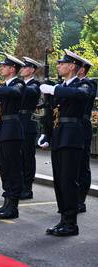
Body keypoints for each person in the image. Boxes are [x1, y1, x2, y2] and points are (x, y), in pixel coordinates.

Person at [39, 50, 89, 236]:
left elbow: (80, 95)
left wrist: (54, 90)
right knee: (59, 181)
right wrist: (47, 134)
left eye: (62, 63)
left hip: (72, 136)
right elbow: (51, 114)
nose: (58, 65)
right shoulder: (61, 86)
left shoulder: (85, 84)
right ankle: (63, 219)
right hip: (59, 135)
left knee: (69, 181)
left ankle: (71, 223)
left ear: (73, 66)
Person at [0, 53, 25, 219]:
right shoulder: (4, 86)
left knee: (13, 169)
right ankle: (6, 202)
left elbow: (14, 93)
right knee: (5, 169)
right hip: (2, 130)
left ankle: (13, 206)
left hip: (12, 130)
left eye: (4, 66)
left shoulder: (18, 83)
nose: (1, 68)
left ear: (12, 68)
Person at [19, 57, 42, 200]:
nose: (21, 69)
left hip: (27, 123)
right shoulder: (20, 84)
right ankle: (19, 185)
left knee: (27, 157)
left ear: (32, 69)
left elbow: (30, 92)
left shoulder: (35, 85)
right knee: (18, 157)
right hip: (17, 122)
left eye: (25, 67)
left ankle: (28, 188)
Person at [76, 57, 97, 213]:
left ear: (82, 69)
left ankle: (80, 200)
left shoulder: (89, 84)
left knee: (82, 165)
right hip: (71, 128)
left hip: (82, 127)